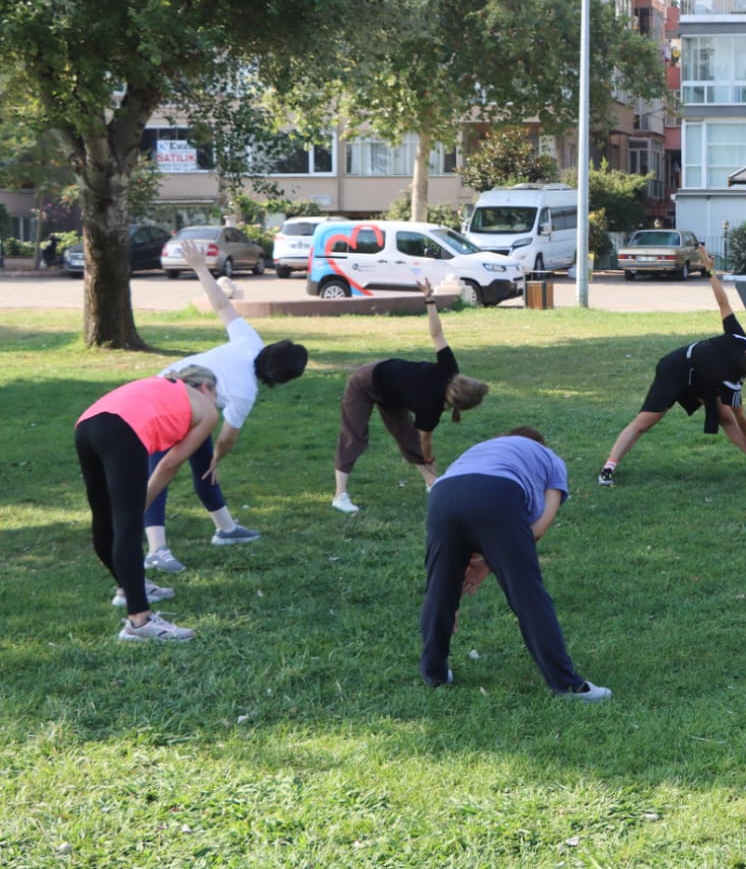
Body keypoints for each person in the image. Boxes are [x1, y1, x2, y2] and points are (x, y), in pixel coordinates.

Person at [141, 239, 309, 572]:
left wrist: (199, 266)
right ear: (281, 379)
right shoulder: (246, 392)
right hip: (165, 403)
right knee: (162, 470)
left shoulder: (250, 341)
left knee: (203, 463)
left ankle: (226, 529)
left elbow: (221, 305)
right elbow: (228, 438)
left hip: (181, 398)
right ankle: (157, 550)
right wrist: (219, 456)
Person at [419, 427, 610, 700]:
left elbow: (469, 511)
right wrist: (495, 555)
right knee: (527, 594)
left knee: (439, 591)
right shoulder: (550, 458)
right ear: (540, 444)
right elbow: (537, 528)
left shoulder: (482, 448)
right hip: (498, 493)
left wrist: (473, 573)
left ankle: (434, 673)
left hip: (443, 493)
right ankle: (568, 686)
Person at [597, 245, 746, 486]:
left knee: (724, 418)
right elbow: (740, 415)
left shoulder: (739, 342)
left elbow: (722, 302)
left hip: (699, 378)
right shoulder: (733, 378)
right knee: (645, 422)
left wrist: (710, 272)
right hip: (675, 371)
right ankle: (609, 466)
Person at [75, 367, 220, 641]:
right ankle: (140, 622)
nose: (216, 402)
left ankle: (127, 587)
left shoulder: (163, 387)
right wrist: (140, 504)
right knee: (127, 525)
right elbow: (168, 466)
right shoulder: (207, 410)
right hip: (122, 429)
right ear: (205, 388)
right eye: (216, 394)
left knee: (104, 520)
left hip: (86, 425)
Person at [331, 278, 488, 512]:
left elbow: (436, 334)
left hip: (392, 391)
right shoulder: (435, 398)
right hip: (366, 380)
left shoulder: (446, 377)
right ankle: (339, 496)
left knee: (407, 436)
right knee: (354, 436)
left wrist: (430, 299)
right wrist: (429, 458)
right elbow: (426, 441)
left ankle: (432, 483)